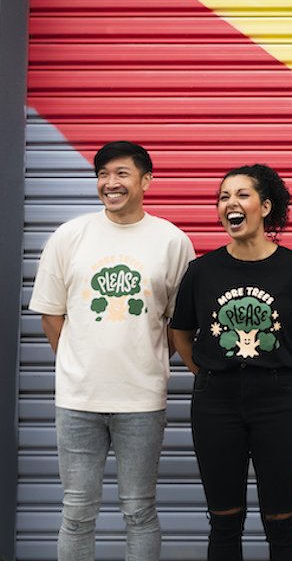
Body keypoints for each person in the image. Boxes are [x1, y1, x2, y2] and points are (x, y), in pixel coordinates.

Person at [28, 141, 195, 561]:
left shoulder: (172, 242)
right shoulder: (69, 236)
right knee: (77, 512)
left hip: (141, 400)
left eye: (121, 173)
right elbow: (52, 314)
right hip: (78, 399)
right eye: (103, 174)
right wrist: (78, 360)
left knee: (139, 510)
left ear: (146, 181)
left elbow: (179, 324)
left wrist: (144, 360)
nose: (110, 182)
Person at [171, 164, 292, 560]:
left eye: (241, 195)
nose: (230, 204)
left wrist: (278, 370)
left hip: (280, 401)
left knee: (281, 520)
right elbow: (181, 332)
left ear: (265, 206)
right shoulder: (201, 271)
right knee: (224, 520)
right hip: (216, 401)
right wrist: (208, 372)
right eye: (223, 197)